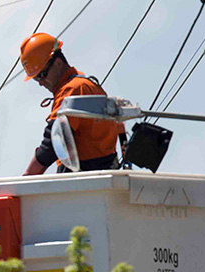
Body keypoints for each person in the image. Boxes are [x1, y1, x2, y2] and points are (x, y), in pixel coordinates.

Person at [18, 32, 125, 175]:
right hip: (103, 173)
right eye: (36, 79)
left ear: (57, 62)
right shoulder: (86, 84)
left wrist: (25, 180)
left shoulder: (71, 89)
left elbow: (52, 143)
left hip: (83, 177)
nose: (41, 83)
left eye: (42, 75)